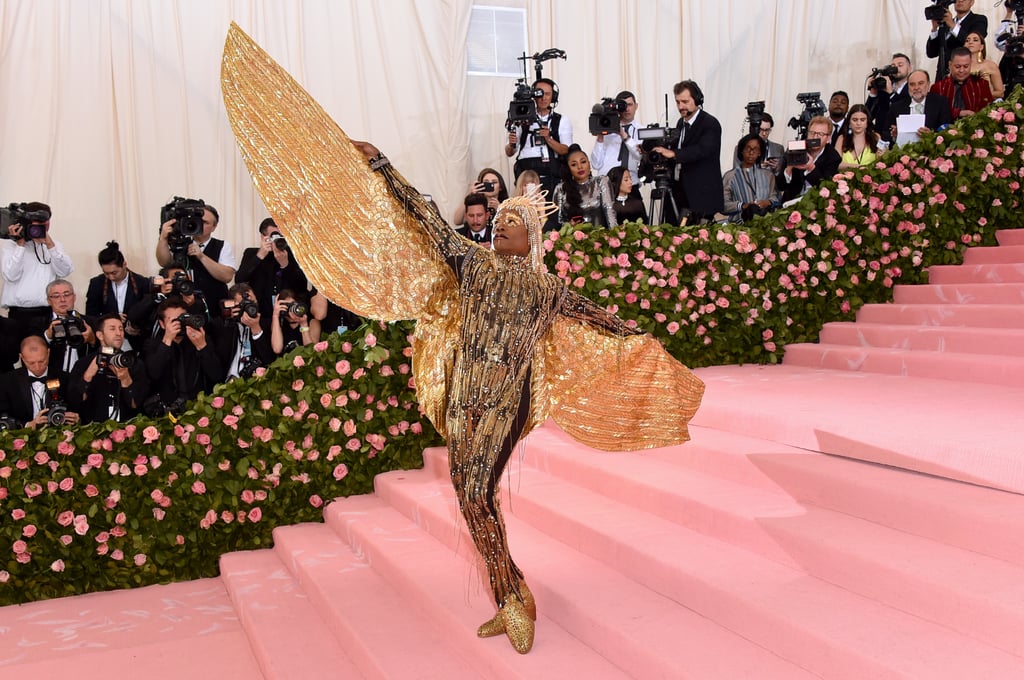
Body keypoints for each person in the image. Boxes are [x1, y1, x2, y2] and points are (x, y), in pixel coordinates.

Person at [222, 27, 704, 655]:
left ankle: (511, 593)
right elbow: (425, 217)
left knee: (475, 491)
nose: (500, 225)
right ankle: (510, 591)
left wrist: (639, 337)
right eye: (497, 220)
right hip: (465, 396)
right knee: (467, 494)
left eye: (510, 223)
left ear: (531, 238)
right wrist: (384, 167)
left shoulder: (545, 290)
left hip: (508, 398)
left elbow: (595, 316)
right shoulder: (473, 267)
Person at [650, 80, 724, 225]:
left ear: (697, 100)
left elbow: (703, 150)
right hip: (680, 193)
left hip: (701, 196)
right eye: (677, 102)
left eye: (685, 101)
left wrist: (674, 154)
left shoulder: (710, 123)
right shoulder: (680, 123)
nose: (680, 106)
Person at [0, 202, 75, 338]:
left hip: (48, 313)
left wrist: (50, 246)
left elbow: (65, 271)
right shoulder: (11, 246)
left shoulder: (54, 245)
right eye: (37, 223)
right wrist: (20, 245)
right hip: (19, 314)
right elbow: (10, 275)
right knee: (27, 356)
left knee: (51, 355)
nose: (41, 227)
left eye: (45, 223)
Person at [143, 297, 223, 415]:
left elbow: (216, 375)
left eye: (182, 318)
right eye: (173, 321)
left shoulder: (201, 339)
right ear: (162, 324)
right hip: (165, 412)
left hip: (199, 409)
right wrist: (167, 341)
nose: (179, 324)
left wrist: (202, 347)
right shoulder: (152, 344)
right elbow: (153, 374)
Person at [67, 313, 149, 424]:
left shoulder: (134, 363)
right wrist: (88, 375)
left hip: (127, 430)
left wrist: (125, 380)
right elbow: (74, 402)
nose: (118, 333)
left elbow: (137, 406)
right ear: (100, 335)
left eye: (121, 329)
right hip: (92, 431)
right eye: (112, 329)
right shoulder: (83, 363)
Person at [155, 202, 236, 303]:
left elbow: (227, 276)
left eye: (206, 222)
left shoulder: (223, 246)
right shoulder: (180, 242)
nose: (201, 225)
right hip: (182, 302)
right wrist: (163, 238)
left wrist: (202, 257)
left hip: (214, 304)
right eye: (198, 221)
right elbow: (164, 262)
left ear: (214, 227)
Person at [504, 78, 573, 196]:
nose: (543, 98)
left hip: (552, 175)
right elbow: (509, 152)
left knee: (551, 211)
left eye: (547, 94)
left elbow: (566, 150)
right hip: (526, 175)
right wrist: (511, 144)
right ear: (533, 96)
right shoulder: (521, 117)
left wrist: (548, 139)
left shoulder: (562, 120)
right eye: (540, 94)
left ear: (553, 96)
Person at [235, 217, 309, 324]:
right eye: (274, 236)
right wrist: (260, 255)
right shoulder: (251, 253)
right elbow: (239, 280)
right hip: (260, 315)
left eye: (281, 236)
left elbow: (302, 286)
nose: (277, 240)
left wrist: (285, 264)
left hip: (288, 316)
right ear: (263, 237)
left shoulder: (292, 255)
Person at [0, 335, 79, 429]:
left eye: (41, 361)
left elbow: (77, 408)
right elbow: (3, 416)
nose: (37, 367)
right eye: (31, 363)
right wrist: (28, 425)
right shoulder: (7, 381)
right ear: (22, 357)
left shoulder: (65, 378)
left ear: (48, 353)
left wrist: (76, 418)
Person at [84, 240, 152, 349]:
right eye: (106, 273)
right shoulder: (97, 284)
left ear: (124, 264)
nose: (111, 277)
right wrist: (111, 318)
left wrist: (137, 329)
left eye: (114, 273)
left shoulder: (142, 283)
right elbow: (90, 316)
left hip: (136, 343)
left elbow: (149, 316)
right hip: (106, 342)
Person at [213, 283, 274, 381]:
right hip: (227, 383)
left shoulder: (267, 324)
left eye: (251, 302)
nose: (248, 307)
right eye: (243, 305)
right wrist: (230, 321)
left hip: (256, 382)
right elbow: (219, 360)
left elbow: (270, 361)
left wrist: (256, 329)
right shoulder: (222, 325)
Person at [777, 116, 842, 203]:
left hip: (816, 204)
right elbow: (780, 186)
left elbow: (825, 189)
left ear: (828, 139)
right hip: (791, 203)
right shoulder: (796, 147)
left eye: (820, 134)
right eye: (812, 133)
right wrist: (789, 168)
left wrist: (811, 168)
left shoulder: (833, 157)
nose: (815, 137)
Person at [552, 144, 618, 229]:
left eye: (583, 162)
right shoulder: (561, 188)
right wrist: (569, 225)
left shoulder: (601, 181)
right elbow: (557, 221)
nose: (580, 167)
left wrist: (614, 237)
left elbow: (610, 212)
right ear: (568, 169)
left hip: (601, 237)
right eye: (574, 165)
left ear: (589, 163)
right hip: (573, 238)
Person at [722, 134, 780, 223]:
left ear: (760, 152)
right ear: (741, 150)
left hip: (765, 224)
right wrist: (743, 205)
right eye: (748, 148)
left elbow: (776, 198)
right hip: (738, 226)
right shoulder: (730, 176)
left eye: (755, 149)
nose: (751, 152)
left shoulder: (768, 176)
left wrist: (767, 202)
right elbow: (723, 205)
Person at [42, 279, 95, 376]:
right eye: (56, 296)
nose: (62, 300)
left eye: (67, 295)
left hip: (84, 377)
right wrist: (48, 336)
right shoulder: (40, 324)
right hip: (53, 377)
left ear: (74, 297)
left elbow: (102, 351)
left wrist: (92, 340)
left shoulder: (90, 322)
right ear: (49, 301)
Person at [927, 0, 988, 81]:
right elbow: (931, 53)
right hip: (942, 78)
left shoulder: (979, 20)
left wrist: (952, 25)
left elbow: (973, 43)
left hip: (965, 76)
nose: (960, 1)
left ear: (972, 2)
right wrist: (934, 29)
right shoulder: (945, 23)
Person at [590, 90, 643, 184]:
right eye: (623, 106)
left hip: (630, 184)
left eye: (630, 105)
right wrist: (600, 137)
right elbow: (596, 165)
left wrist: (623, 134)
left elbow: (639, 156)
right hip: (606, 183)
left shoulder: (641, 131)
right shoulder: (607, 128)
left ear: (636, 106)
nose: (627, 109)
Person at [887, 70, 954, 143]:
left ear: (928, 84)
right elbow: (886, 133)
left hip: (932, 151)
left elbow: (946, 132)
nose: (916, 87)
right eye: (912, 84)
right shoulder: (897, 107)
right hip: (904, 151)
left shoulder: (941, 103)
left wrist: (931, 135)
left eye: (920, 83)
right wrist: (895, 135)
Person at [931, 47, 995, 120]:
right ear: (950, 65)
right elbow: (933, 114)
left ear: (971, 64)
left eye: (966, 66)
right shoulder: (938, 87)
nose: (961, 70)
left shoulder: (981, 85)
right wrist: (958, 113)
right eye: (957, 67)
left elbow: (988, 111)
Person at [865, 53, 913, 143]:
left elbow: (905, 110)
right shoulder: (883, 87)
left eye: (900, 65)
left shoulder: (912, 88)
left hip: (901, 138)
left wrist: (891, 93)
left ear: (909, 69)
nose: (896, 68)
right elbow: (868, 115)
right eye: (893, 66)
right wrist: (873, 93)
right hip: (880, 137)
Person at [270, 289, 319, 356]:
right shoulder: (278, 324)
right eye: (286, 305)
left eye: (292, 305)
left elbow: (311, 352)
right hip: (285, 364)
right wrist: (275, 315)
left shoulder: (312, 322)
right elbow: (277, 349)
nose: (290, 309)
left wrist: (303, 325)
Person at [835, 104, 882, 169]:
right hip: (844, 178)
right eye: (855, 120)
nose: (858, 123)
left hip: (871, 178)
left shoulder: (876, 137)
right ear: (849, 122)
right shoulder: (842, 138)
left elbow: (881, 163)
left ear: (867, 122)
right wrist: (858, 167)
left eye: (862, 120)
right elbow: (836, 164)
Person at [963, 31, 1005, 99]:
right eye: (967, 40)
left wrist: (979, 95)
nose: (970, 42)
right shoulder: (959, 65)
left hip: (986, 106)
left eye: (975, 40)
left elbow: (1000, 93)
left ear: (981, 47)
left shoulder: (990, 65)